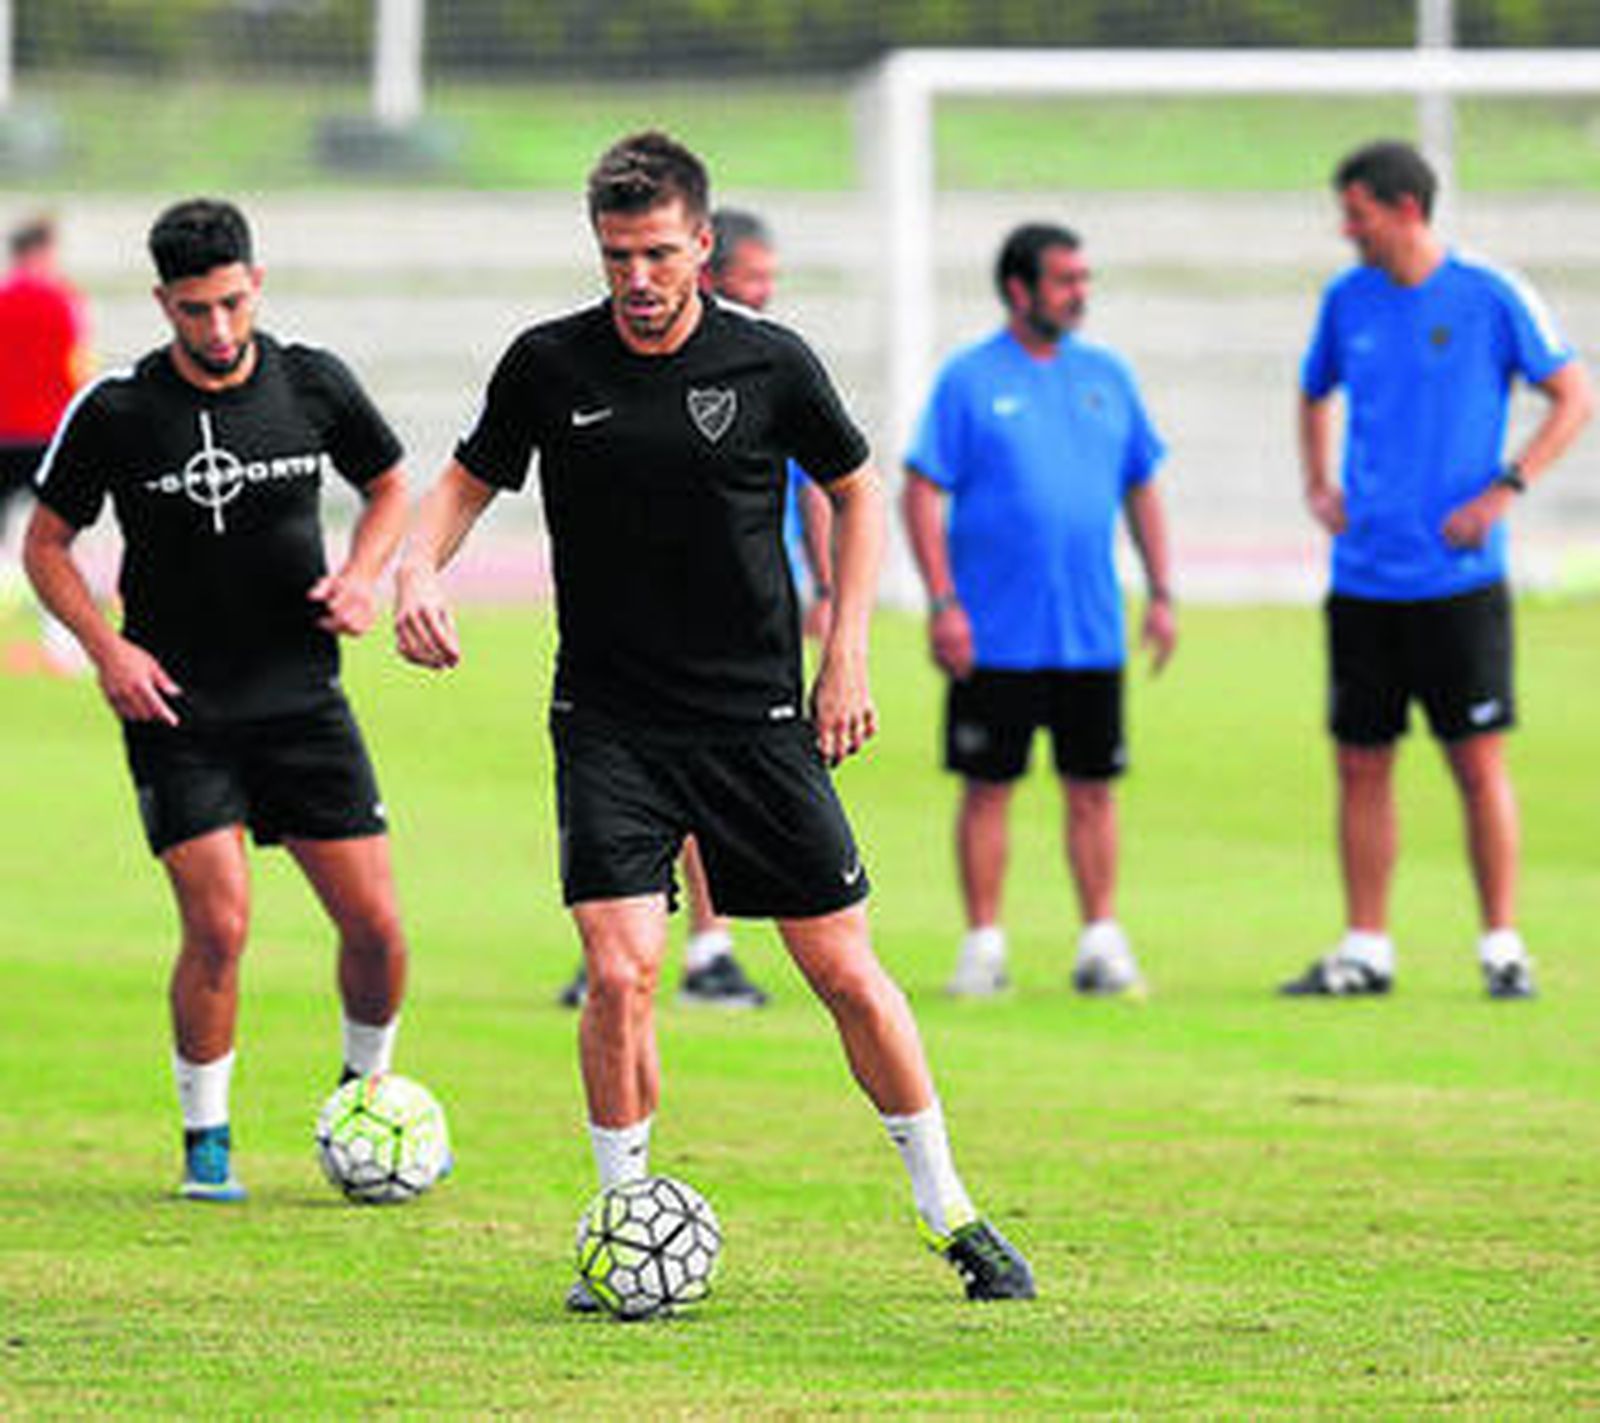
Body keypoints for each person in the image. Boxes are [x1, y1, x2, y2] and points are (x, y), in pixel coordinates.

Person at [395, 131, 1034, 1305]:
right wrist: (417, 569)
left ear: (702, 243)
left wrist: (844, 652)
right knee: (620, 968)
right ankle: (622, 1216)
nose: (635, 280)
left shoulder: (769, 362)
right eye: (614, 257)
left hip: (754, 719)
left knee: (841, 968)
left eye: (655, 254)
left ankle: (951, 1208)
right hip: (609, 722)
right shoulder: (547, 364)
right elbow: (464, 481)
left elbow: (854, 486)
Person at [25, 199, 415, 1200]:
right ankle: (207, 1143)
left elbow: (389, 485)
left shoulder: (314, 382)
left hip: (303, 702)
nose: (219, 329)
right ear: (164, 303)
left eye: (233, 303)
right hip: (178, 710)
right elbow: (46, 544)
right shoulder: (116, 410)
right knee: (221, 924)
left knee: (375, 928)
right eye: (195, 310)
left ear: (257, 283)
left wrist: (366, 576)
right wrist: (106, 649)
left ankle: (363, 1101)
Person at [1280, 140, 1592, 1000]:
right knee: (1360, 762)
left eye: (1357, 213)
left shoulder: (1489, 295)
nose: (1347, 229)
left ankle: (1501, 944)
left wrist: (1506, 487)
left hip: (1460, 580)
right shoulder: (1347, 300)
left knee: (1476, 760)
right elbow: (1313, 389)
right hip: (1364, 577)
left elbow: (1574, 393)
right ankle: (1366, 946)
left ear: (1406, 208)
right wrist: (1318, 479)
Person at [554, 205, 833, 1012]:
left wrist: (821, 586)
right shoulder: (603, 367)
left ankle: (704, 944)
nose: (764, 296)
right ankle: (644, 948)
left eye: (771, 284)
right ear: (709, 269)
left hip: (742, 620)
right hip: (640, 626)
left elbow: (823, 486)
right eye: (754, 282)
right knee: (649, 790)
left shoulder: (765, 367)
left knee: (699, 790)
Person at [902, 223, 1176, 999]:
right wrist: (944, 602)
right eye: (1064, 280)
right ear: (1019, 289)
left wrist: (1161, 591)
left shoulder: (1108, 375)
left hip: (1090, 629)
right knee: (989, 786)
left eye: (1084, 278)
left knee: (1094, 787)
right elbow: (922, 489)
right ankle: (984, 942)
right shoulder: (968, 379)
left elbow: (1141, 484)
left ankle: (1100, 937)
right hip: (994, 631)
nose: (1079, 293)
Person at [0, 214, 92, 673]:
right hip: (46, 433)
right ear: (41, 251)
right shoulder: (63, 300)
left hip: (1, 432)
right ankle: (62, 646)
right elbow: (78, 365)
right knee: (55, 544)